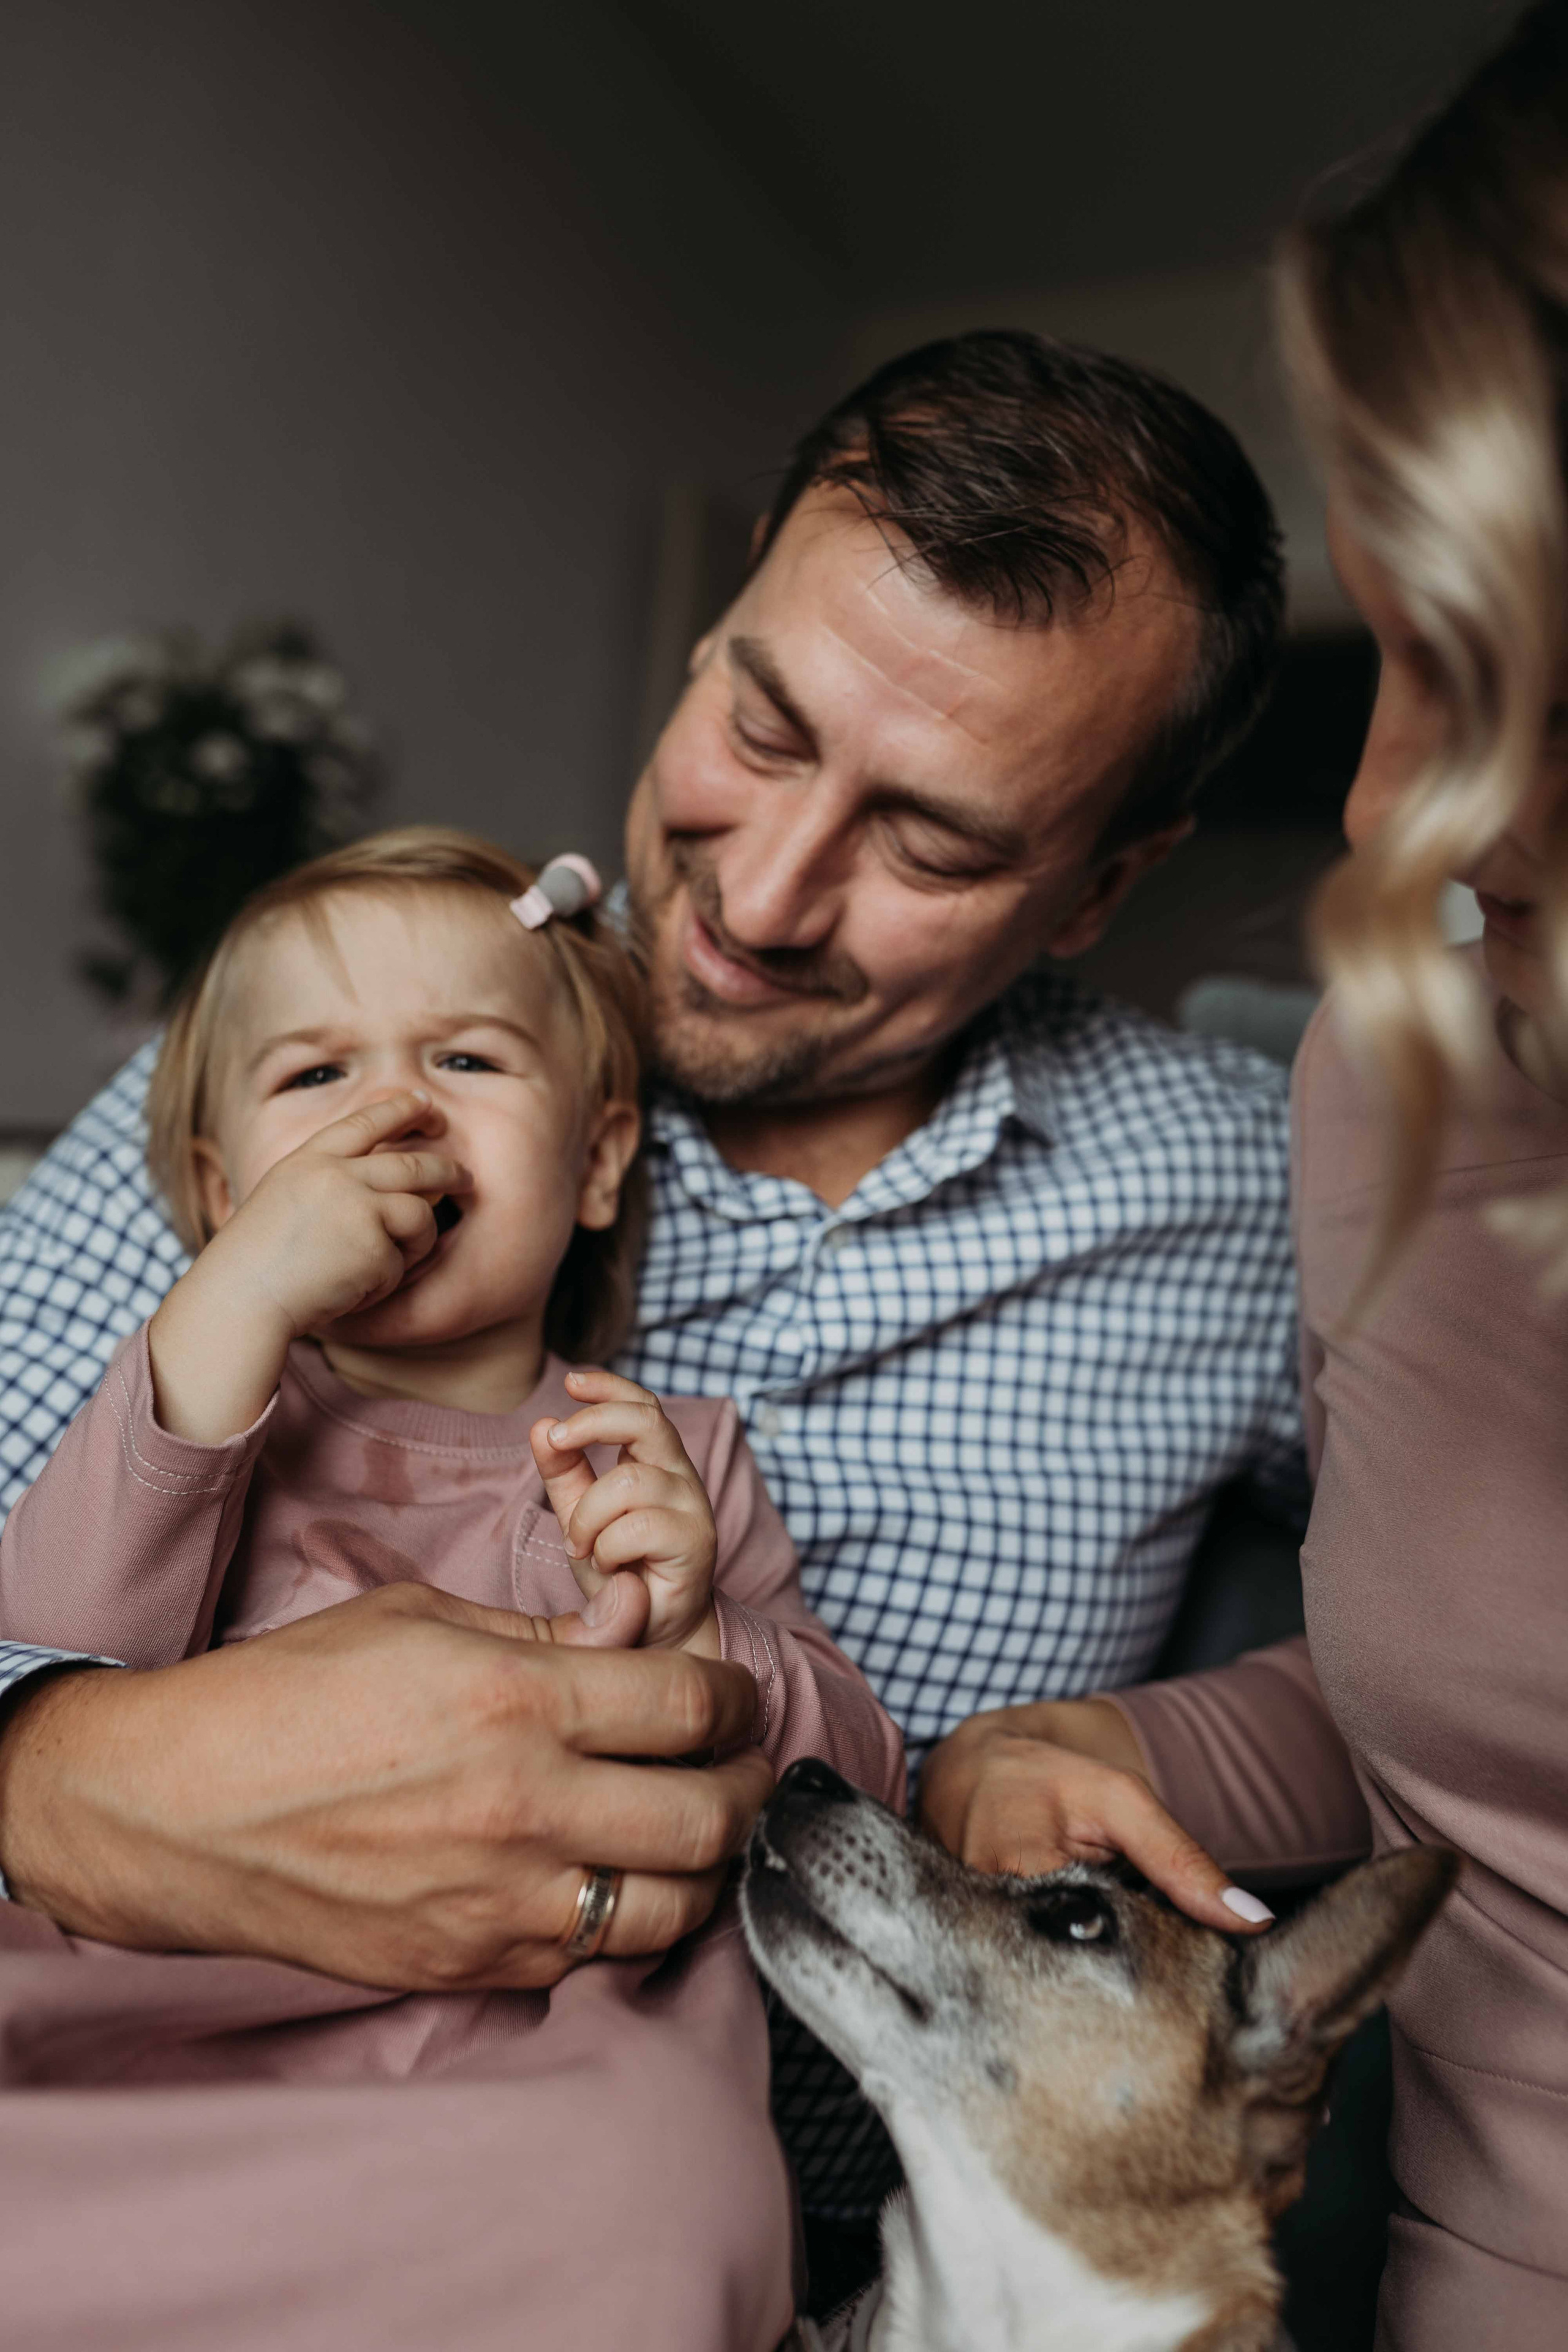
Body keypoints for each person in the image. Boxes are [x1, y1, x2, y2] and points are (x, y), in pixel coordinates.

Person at [0, 331, 1298, 2287]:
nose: (767, 897)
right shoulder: (298, 1064)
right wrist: (50, 1780)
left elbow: (1495, 1657)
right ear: (720, 620)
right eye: (764, 729)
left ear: (1109, 882)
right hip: (151, 2100)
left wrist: (1127, 1740)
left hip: (669, 2239)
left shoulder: (1257, 1190)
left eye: (932, 840)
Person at [920, 11, 1568, 2346]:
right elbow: (1481, 1709)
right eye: (1394, 655)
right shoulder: (1404, 1074)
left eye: (1522, 695)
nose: (1389, 811)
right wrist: (1117, 1746)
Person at [0, 824, 900, 2350]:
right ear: (224, 1193)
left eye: (469, 1063)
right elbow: (52, 1659)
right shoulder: (193, 1405)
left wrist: (708, 1630)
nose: (394, 1111)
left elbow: (851, 1789)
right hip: (155, 2048)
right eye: (313, 1077)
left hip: (540, 2076)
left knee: (665, 2201)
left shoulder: (667, 1458)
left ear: (600, 1158)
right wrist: (224, 1317)